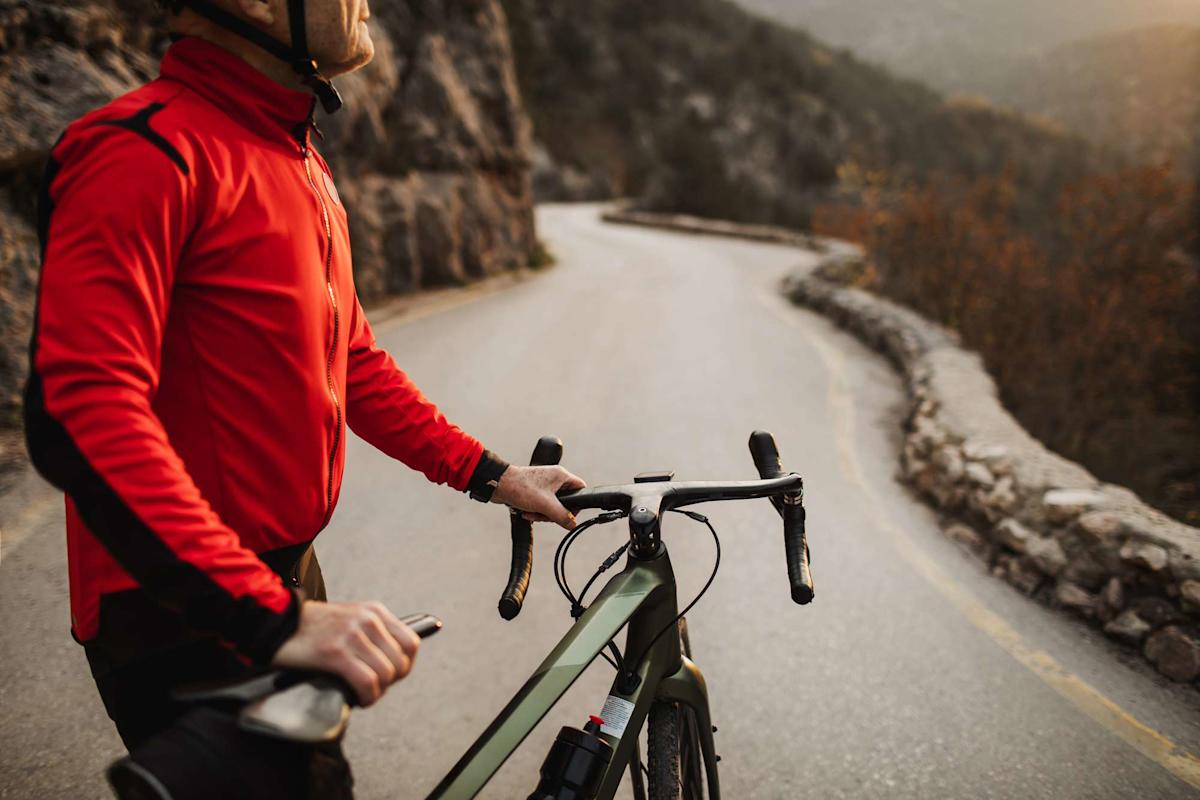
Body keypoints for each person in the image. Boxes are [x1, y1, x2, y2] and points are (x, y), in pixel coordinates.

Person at [22, 0, 583, 794]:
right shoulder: (143, 150)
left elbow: (352, 361)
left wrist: (492, 475)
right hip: (178, 603)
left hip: (281, 573)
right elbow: (79, 411)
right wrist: (269, 615)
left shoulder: (296, 157)